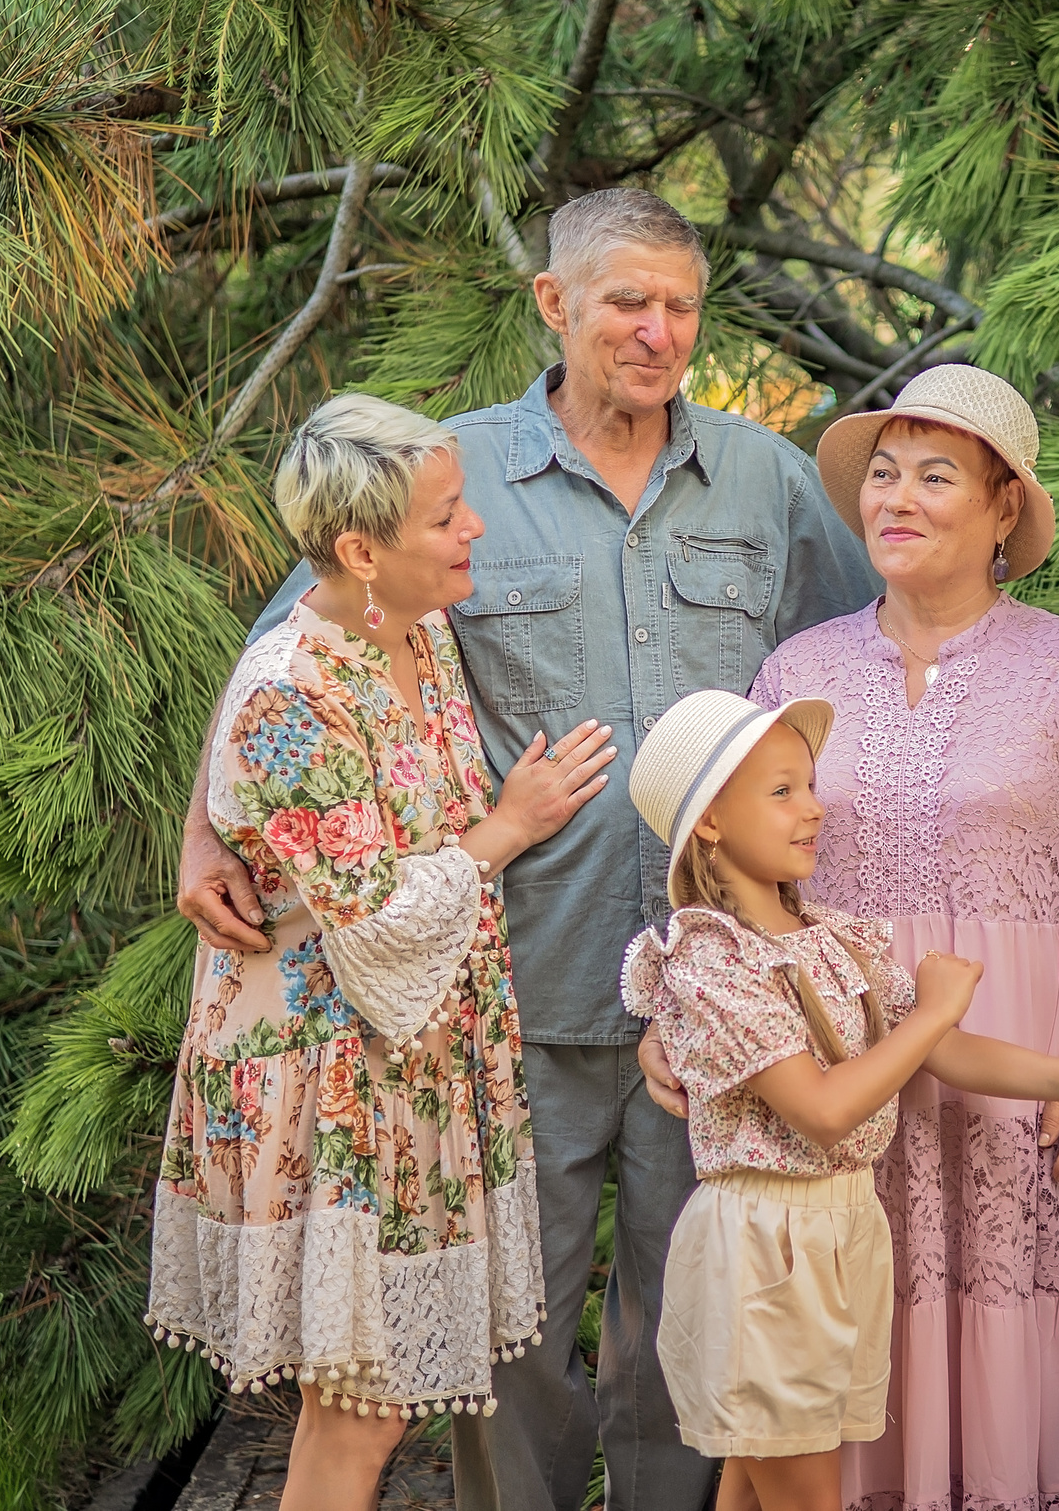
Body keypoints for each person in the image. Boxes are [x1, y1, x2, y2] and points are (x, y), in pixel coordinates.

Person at [176, 189, 880, 1511]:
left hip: (714, 993)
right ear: (554, 304)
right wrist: (206, 828)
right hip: (511, 990)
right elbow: (287, 650)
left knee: (691, 1322)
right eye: (628, 300)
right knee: (512, 1336)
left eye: (681, 304)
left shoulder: (768, 478)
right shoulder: (450, 476)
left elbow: (864, 659)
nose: (659, 331)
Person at [640, 364, 1059, 1511]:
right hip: (837, 1058)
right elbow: (724, 868)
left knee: (1012, 1298)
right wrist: (681, 1032)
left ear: (1002, 510)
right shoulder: (801, 669)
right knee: (835, 1326)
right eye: (883, 472)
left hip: (1023, 1057)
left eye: (937, 475)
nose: (897, 496)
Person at [148, 395, 617, 1511]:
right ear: (362, 550)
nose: (475, 534)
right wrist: (513, 821)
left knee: (373, 1399)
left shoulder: (412, 633)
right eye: (447, 519)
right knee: (360, 1404)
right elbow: (377, 921)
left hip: (408, 1066)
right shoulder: (292, 693)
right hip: (330, 1076)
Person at [618, 689, 1059, 1511]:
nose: (813, 810)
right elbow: (823, 1108)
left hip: (843, 1233)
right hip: (767, 1251)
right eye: (781, 792)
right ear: (707, 822)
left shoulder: (833, 935)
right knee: (802, 1490)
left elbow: (941, 1052)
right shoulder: (709, 959)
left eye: (810, 786)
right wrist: (937, 1008)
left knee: (755, 1480)